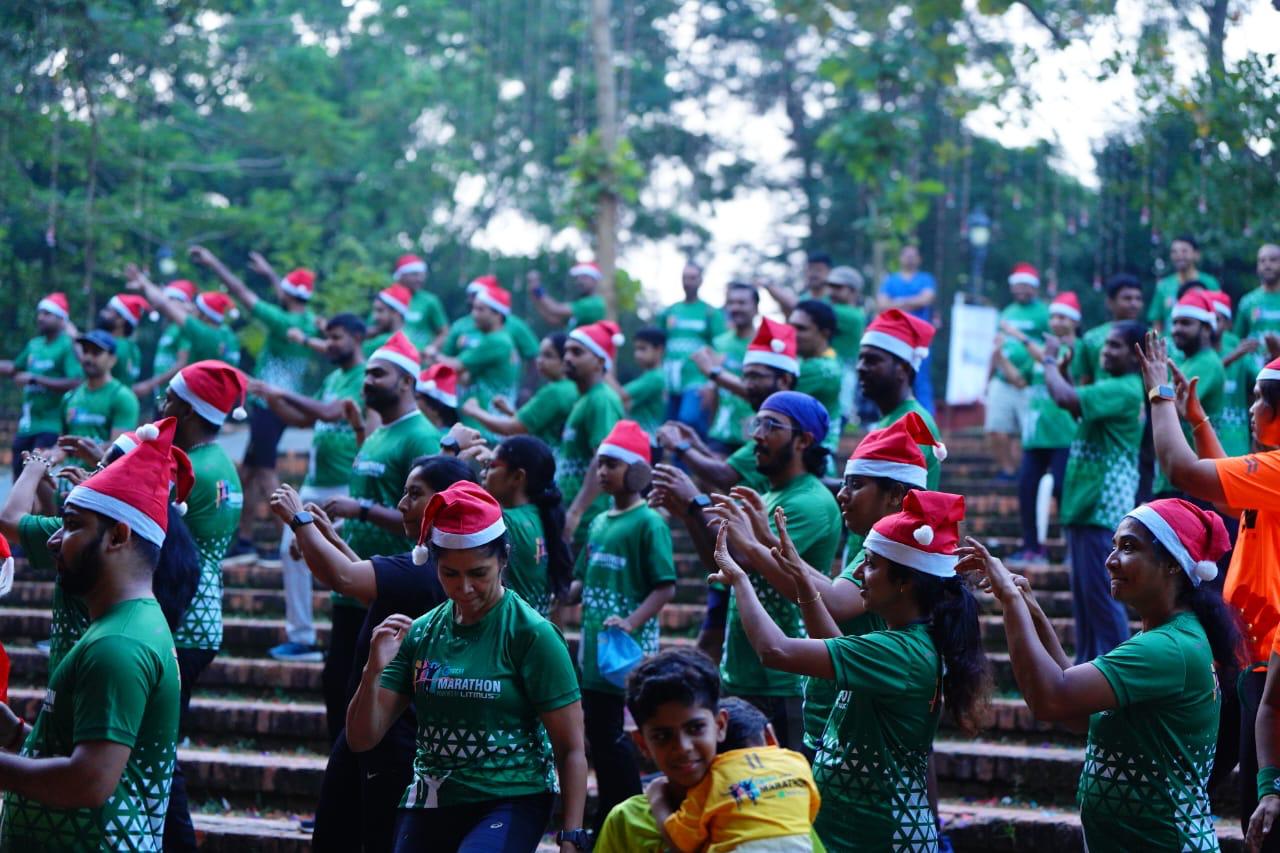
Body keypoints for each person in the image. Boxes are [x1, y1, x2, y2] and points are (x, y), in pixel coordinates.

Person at [711, 489, 990, 851]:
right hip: (860, 829)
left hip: (881, 835)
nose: (859, 571)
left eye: (871, 564)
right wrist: (800, 577)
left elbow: (775, 650)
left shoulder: (900, 651)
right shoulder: (901, 643)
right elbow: (834, 648)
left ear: (905, 581)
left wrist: (740, 580)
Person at [961, 497, 1242, 852]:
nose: (1110, 561)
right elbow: (1079, 711)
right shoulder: (1162, 638)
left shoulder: (1168, 648)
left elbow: (1051, 698)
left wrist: (1011, 602)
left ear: (1172, 563)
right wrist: (1029, 607)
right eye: (1113, 546)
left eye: (1128, 547)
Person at [345, 481, 588, 853]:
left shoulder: (532, 634)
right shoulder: (422, 631)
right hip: (433, 794)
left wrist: (571, 834)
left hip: (511, 792)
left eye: (478, 573)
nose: (464, 587)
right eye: (450, 574)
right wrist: (372, 672)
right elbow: (363, 738)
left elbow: (571, 748)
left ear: (503, 559)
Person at [268, 455, 473, 853]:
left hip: (391, 732)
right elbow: (369, 585)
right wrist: (329, 538)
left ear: (443, 504)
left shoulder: (429, 567)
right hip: (373, 723)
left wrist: (299, 520)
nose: (401, 505)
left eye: (415, 494)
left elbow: (344, 578)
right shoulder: (429, 566)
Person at [0, 416, 185, 850]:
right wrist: (17, 734)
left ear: (118, 535)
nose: (53, 540)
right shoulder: (122, 624)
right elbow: (105, 763)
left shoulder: (117, 644)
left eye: (72, 525)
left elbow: (88, 782)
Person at [1136, 340, 1280, 841]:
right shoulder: (1270, 478)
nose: (1252, 407)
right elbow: (1228, 495)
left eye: (1261, 398)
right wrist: (1197, 421)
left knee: (1263, 819)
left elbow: (1180, 470)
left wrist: (1158, 394)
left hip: (1273, 672)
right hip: (1253, 661)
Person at [318, 330, 443, 741]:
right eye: (366, 374)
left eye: (378, 374)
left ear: (406, 381)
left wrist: (362, 511)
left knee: (364, 691)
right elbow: (366, 501)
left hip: (390, 588)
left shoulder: (422, 437)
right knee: (338, 687)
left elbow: (427, 514)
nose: (367, 381)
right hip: (354, 580)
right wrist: (326, 534)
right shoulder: (376, 434)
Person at [705, 391, 842, 749]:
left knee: (781, 794)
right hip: (743, 672)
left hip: (781, 681)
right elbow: (727, 561)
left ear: (804, 440)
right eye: (757, 422)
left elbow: (749, 560)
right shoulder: (767, 497)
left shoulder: (808, 501)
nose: (757, 434)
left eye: (771, 425)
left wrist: (692, 504)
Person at [566, 419, 676, 832]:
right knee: (600, 730)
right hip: (595, 651)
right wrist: (567, 591)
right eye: (599, 465)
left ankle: (627, 813)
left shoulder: (649, 523)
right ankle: (613, 815)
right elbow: (583, 576)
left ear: (638, 470)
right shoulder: (599, 522)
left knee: (616, 737)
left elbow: (665, 587)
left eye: (612, 464)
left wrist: (630, 621)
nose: (602, 473)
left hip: (626, 654)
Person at [188, 245, 317, 560]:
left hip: (266, 404)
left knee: (265, 474)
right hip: (284, 407)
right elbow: (289, 298)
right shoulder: (309, 322)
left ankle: (283, 541)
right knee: (246, 473)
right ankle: (244, 539)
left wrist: (213, 260)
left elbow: (241, 293)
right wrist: (273, 275)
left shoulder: (279, 321)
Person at [254, 313, 368, 663]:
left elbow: (331, 412)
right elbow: (306, 418)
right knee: (291, 545)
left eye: (337, 337)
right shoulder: (334, 376)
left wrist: (281, 390)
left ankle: (354, 629)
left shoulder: (364, 377)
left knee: (341, 552)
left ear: (356, 338)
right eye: (328, 337)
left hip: (344, 485)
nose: (330, 344)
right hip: (315, 484)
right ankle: (301, 637)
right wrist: (270, 400)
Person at [635, 650, 820, 853]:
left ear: (720, 726)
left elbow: (680, 844)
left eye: (695, 728)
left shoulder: (712, 780)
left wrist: (657, 799)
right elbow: (810, 808)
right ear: (770, 737)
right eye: (663, 736)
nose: (683, 747)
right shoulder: (796, 763)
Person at [597, 691, 819, 853]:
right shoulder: (785, 801)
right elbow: (813, 805)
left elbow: (679, 840)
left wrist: (657, 799)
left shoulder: (628, 817)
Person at [1041, 321, 1146, 662]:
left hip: (1100, 505)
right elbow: (1077, 406)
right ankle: (1088, 670)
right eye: (1105, 345)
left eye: (1115, 346)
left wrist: (1047, 361)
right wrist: (1063, 374)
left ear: (1135, 355)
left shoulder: (1126, 387)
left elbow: (1064, 397)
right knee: (1086, 602)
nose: (1105, 351)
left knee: (1101, 599)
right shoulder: (1111, 386)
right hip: (1084, 502)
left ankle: (1119, 677)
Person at [680, 318, 799, 495]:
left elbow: (724, 475)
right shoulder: (769, 424)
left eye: (756, 377)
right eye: (746, 377)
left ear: (784, 381)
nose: (748, 385)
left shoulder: (776, 430)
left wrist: (679, 446)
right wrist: (697, 445)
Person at [1007, 292, 1081, 564]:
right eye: (1052, 316)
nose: (1056, 321)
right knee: (1026, 489)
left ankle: (1072, 548)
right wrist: (998, 356)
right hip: (1034, 436)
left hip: (1064, 433)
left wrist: (1021, 337)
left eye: (1062, 316)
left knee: (1064, 489)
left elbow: (1049, 361)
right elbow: (1020, 380)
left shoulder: (1076, 349)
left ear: (1074, 321)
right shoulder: (1042, 348)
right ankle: (1031, 547)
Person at [481, 435, 574, 616]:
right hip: (534, 635)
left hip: (510, 637)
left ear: (517, 477)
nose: (484, 473)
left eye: (491, 466)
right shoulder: (543, 515)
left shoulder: (502, 522)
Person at [558, 320, 626, 548]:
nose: (567, 357)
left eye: (577, 352)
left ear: (599, 361)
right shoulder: (585, 400)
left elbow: (603, 457)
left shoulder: (601, 400)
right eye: (566, 351)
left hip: (591, 517)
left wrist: (576, 511)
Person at [0, 292, 83, 479]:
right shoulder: (34, 345)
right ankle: (19, 509)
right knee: (18, 474)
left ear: (61, 318)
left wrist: (35, 379)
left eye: (47, 313)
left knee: (37, 477)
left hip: (51, 425)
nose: (40, 318)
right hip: (27, 425)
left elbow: (75, 381)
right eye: (40, 313)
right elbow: (14, 368)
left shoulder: (66, 345)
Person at [858, 309, 942, 489]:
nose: (860, 367)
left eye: (872, 360)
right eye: (861, 359)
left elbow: (888, 502)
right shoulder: (893, 418)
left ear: (903, 368)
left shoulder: (912, 424)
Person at [1154, 290, 1226, 497]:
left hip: (1196, 475)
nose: (1176, 329)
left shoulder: (1207, 363)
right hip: (1182, 475)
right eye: (1175, 323)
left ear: (1206, 328)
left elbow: (1172, 408)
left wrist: (1156, 385)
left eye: (1185, 323)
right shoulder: (1188, 362)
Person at [431, 279, 519, 441]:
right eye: (474, 309)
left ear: (497, 314)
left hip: (487, 430)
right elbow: (465, 377)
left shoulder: (496, 341)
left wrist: (433, 353)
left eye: (480, 310)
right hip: (484, 425)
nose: (473, 315)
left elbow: (455, 366)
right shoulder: (498, 339)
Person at [986, 263, 1050, 481]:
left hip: (1030, 382)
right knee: (996, 427)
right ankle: (1008, 469)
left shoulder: (1044, 313)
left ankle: (1027, 472)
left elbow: (1050, 346)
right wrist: (988, 378)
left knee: (1028, 431)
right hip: (1002, 378)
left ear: (1034, 288)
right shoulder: (1007, 312)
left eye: (1026, 285)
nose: (1021, 289)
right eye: (1018, 285)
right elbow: (996, 344)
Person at [461, 332, 579, 449]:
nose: (540, 360)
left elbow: (511, 428)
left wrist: (474, 411)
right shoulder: (572, 387)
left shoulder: (554, 392)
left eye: (548, 355)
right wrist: (508, 411)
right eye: (539, 355)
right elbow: (536, 425)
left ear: (565, 360)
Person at [659, 263, 725, 437]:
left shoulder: (711, 313)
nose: (688, 282)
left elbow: (720, 349)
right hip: (671, 380)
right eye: (684, 278)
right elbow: (658, 346)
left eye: (692, 278)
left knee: (689, 419)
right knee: (670, 427)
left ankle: (697, 461)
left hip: (697, 380)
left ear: (701, 280)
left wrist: (712, 384)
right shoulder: (670, 311)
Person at [877, 245, 937, 412]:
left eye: (913, 255)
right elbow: (882, 305)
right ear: (901, 258)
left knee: (921, 379)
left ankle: (927, 423)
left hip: (919, 339)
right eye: (906, 255)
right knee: (893, 377)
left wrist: (896, 303)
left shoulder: (926, 279)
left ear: (919, 259)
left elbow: (926, 299)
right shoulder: (891, 280)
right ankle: (893, 421)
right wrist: (911, 302)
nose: (910, 258)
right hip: (895, 337)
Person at [702, 282, 759, 454]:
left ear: (756, 308)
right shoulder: (720, 342)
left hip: (753, 434)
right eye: (731, 303)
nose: (735, 308)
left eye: (742, 303)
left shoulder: (763, 344)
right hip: (721, 431)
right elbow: (714, 388)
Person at [60, 329, 140, 445]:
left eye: (96, 353)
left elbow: (118, 449)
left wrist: (79, 449)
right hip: (68, 463)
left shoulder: (123, 397)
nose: (88, 358)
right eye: (85, 351)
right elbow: (62, 445)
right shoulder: (70, 397)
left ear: (112, 360)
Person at [1073, 273, 1145, 386]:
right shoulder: (1091, 338)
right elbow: (1085, 380)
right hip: (1100, 400)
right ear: (1110, 303)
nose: (1134, 304)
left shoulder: (1150, 337)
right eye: (1127, 298)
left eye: (1138, 298)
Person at [791, 299, 842, 457]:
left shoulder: (823, 369)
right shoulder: (807, 361)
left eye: (801, 328)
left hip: (813, 460)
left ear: (824, 333)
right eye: (791, 326)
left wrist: (715, 372)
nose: (792, 333)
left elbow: (765, 394)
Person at [136, 278, 197, 404]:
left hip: (177, 397)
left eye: (170, 300)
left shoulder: (183, 329)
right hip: (163, 396)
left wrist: (150, 384)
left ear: (184, 303)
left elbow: (182, 364)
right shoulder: (170, 328)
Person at [823, 266, 867, 430]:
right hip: (830, 373)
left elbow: (805, 307)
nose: (832, 291)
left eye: (838, 287)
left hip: (843, 375)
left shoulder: (852, 315)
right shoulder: (834, 308)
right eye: (831, 286)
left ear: (854, 291)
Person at [1149, 235, 1222, 333]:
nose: (1179, 255)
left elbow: (1219, 317)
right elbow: (1157, 322)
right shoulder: (1164, 286)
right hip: (1170, 344)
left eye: (1184, 251)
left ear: (1196, 254)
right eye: (1174, 252)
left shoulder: (1210, 283)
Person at [612, 326, 667, 445]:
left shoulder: (655, 378)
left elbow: (618, 395)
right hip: (643, 441)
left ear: (659, 350)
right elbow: (626, 405)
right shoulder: (648, 377)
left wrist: (603, 368)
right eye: (636, 349)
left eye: (643, 349)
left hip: (649, 442)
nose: (637, 354)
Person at [391, 253, 448, 350]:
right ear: (401, 275)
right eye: (414, 274)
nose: (420, 279)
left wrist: (432, 349)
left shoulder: (430, 301)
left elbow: (444, 332)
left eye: (422, 275)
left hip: (419, 358)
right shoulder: (388, 298)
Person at [531, 260, 607, 329]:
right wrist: (534, 294)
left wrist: (537, 289)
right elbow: (551, 319)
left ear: (595, 280)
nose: (579, 281)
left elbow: (555, 309)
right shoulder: (580, 303)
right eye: (578, 278)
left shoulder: (594, 304)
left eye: (584, 277)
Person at [96, 292, 149, 386]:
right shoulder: (133, 348)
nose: (102, 313)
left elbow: (92, 368)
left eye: (108, 310)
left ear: (120, 320)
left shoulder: (113, 346)